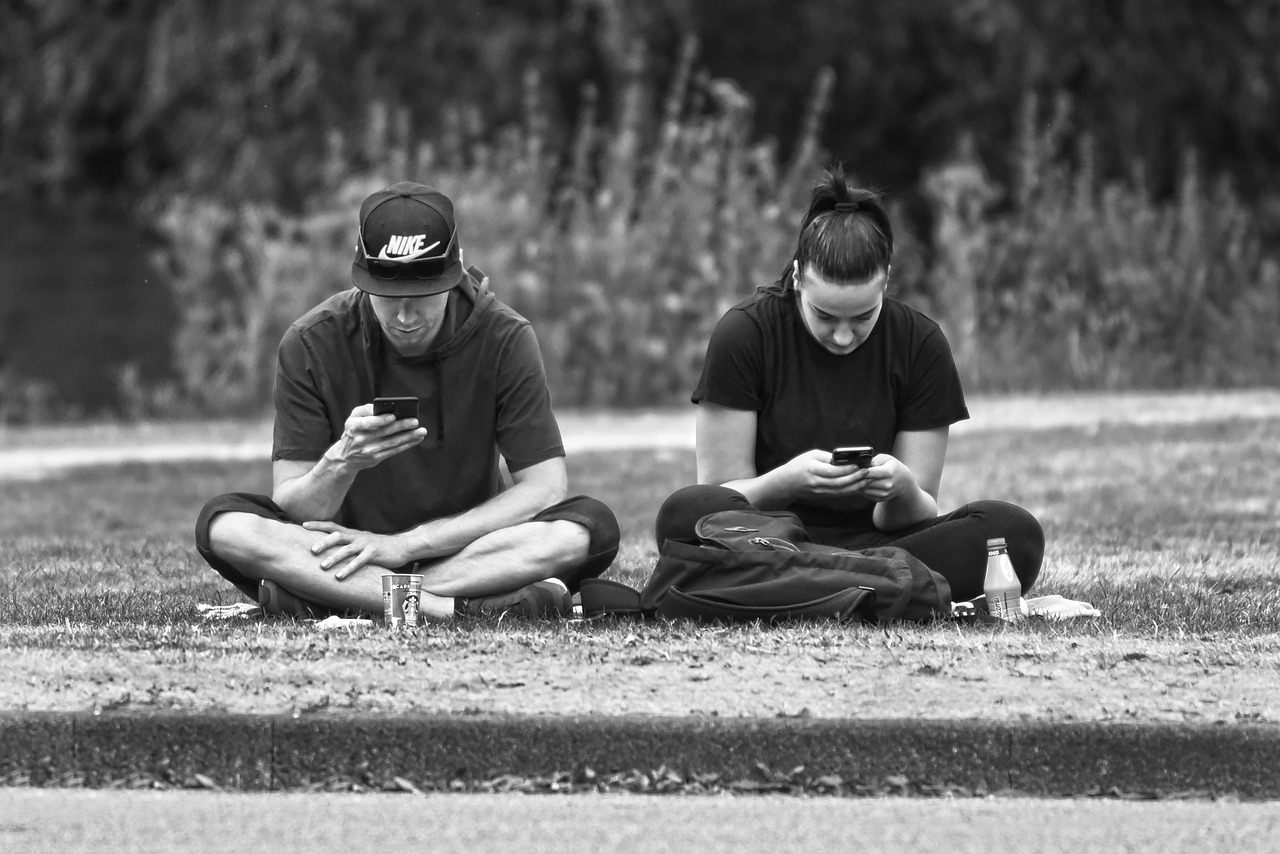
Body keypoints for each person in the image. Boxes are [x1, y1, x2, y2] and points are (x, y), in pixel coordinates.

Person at [195, 181, 620, 620]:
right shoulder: (309, 342)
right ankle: (445, 608)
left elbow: (544, 489)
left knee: (587, 528)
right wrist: (342, 462)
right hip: (346, 551)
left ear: (455, 270)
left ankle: (334, 596)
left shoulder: (505, 337)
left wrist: (405, 546)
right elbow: (293, 509)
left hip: (464, 551)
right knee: (225, 526)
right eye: (388, 295)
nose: (404, 316)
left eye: (421, 296)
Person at [655, 165, 1043, 603]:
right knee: (683, 515)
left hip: (881, 544)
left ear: (886, 280)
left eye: (862, 317)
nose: (842, 336)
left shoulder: (921, 344)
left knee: (1014, 533)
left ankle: (807, 584)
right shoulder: (745, 334)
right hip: (768, 538)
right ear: (798, 277)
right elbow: (718, 498)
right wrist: (789, 481)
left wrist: (901, 488)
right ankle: (877, 586)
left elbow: (913, 514)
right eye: (824, 316)